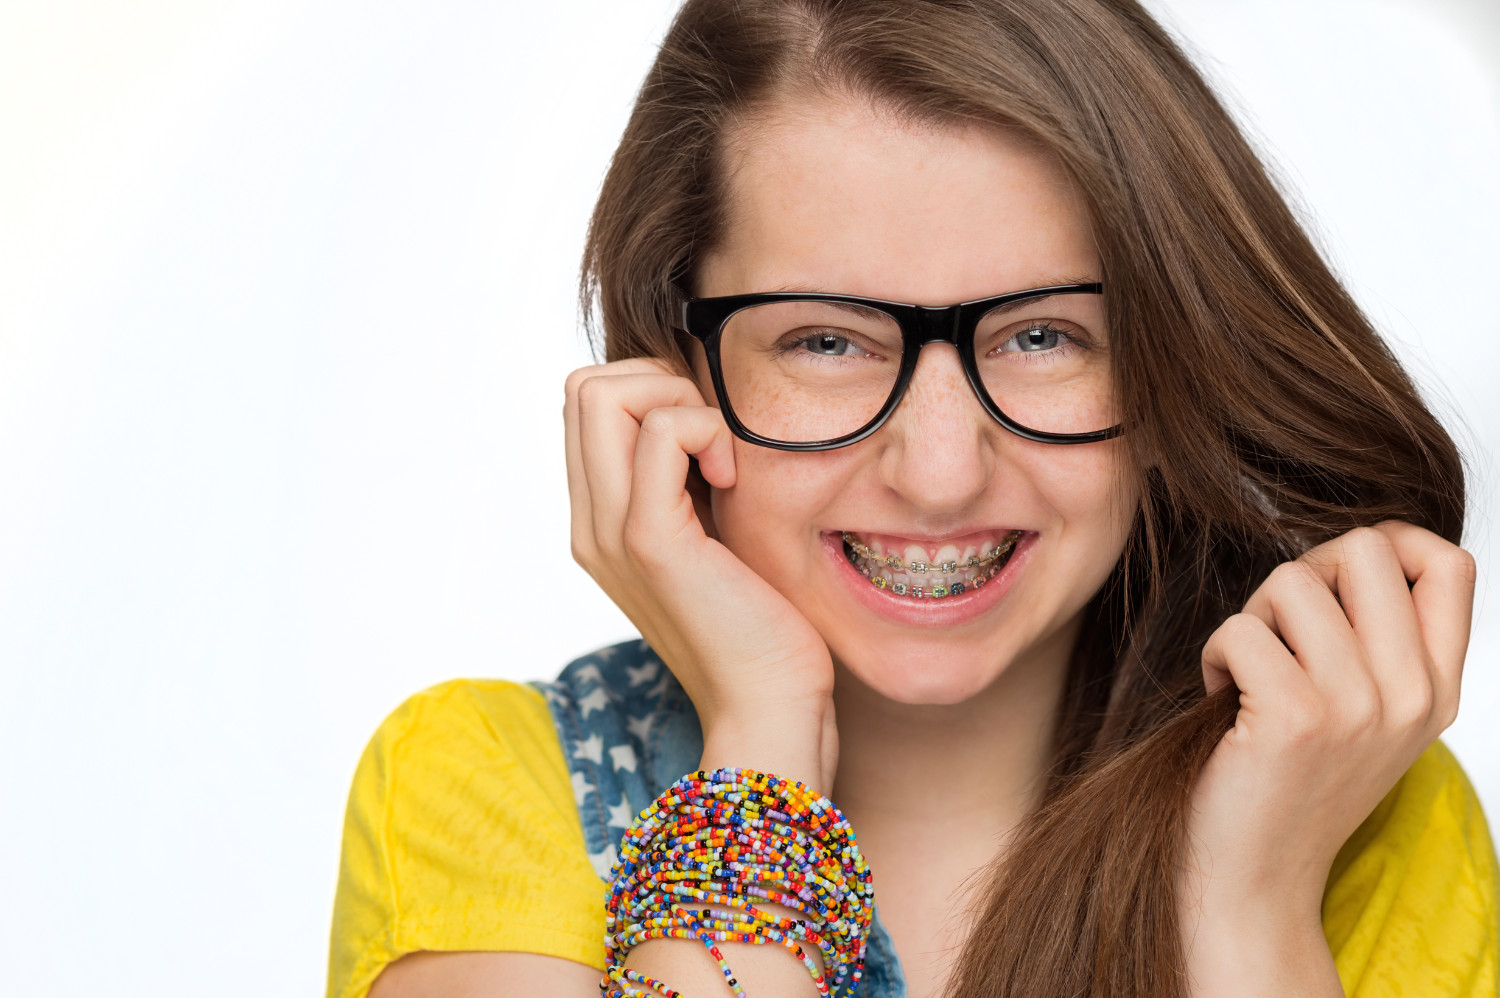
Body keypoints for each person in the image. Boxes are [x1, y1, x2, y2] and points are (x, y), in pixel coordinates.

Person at [327, 1, 1499, 996]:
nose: (940, 472)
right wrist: (763, 731)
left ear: (1171, 362)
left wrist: (1245, 908)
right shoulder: (483, 778)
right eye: (827, 341)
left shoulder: (1343, 797)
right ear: (672, 366)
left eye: (1045, 334)